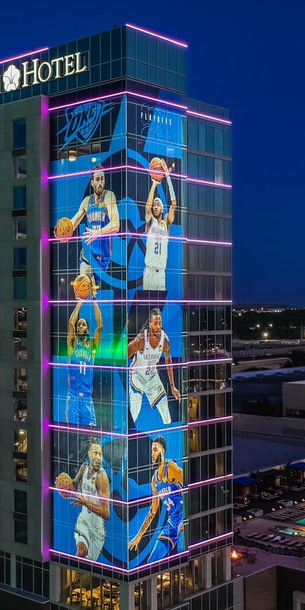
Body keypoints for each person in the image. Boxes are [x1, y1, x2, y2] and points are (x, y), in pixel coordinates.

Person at [128, 436, 185, 562]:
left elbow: (192, 485)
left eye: (155, 450)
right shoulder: (154, 481)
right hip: (172, 523)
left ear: (163, 451)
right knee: (151, 562)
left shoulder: (171, 468)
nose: (152, 454)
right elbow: (153, 511)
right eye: (151, 451)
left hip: (183, 520)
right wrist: (139, 536)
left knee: (183, 555)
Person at [62, 167, 119, 277]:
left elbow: (116, 224)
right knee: (83, 279)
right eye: (97, 179)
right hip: (88, 255)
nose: (100, 182)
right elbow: (72, 224)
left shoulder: (108, 196)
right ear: (92, 182)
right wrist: (62, 233)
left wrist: (98, 233)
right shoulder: (87, 201)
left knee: (94, 292)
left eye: (102, 179)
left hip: (102, 257)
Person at [127, 308, 180, 426]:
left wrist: (173, 386)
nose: (158, 326)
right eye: (155, 323)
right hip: (137, 376)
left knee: (164, 406)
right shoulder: (141, 340)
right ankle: (128, 432)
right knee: (135, 408)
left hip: (152, 376)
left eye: (160, 323)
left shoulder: (165, 340)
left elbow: (168, 360)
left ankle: (167, 434)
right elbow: (125, 354)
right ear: (150, 323)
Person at [67, 440, 111, 561]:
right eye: (95, 453)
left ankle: (80, 578)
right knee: (80, 552)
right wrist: (62, 484)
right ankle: (77, 578)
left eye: (100, 454)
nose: (98, 457)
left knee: (88, 564)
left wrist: (85, 502)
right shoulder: (84, 468)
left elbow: (106, 514)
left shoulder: (102, 477)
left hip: (97, 531)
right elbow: (73, 486)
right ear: (89, 454)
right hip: (83, 521)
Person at [65, 295, 102, 427]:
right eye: (79, 324)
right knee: (74, 434)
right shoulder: (73, 345)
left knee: (90, 434)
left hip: (87, 397)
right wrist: (80, 303)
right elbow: (70, 323)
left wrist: (93, 300)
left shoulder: (92, 346)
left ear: (87, 329)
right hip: (73, 395)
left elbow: (100, 326)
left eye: (83, 324)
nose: (80, 326)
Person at [142, 161, 177, 293]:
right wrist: (154, 184)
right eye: (154, 205)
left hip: (161, 272)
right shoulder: (151, 222)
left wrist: (167, 177)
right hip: (149, 271)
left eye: (158, 204)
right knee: (147, 308)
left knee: (159, 310)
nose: (155, 206)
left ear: (162, 208)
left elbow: (174, 204)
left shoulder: (167, 223)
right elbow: (147, 207)